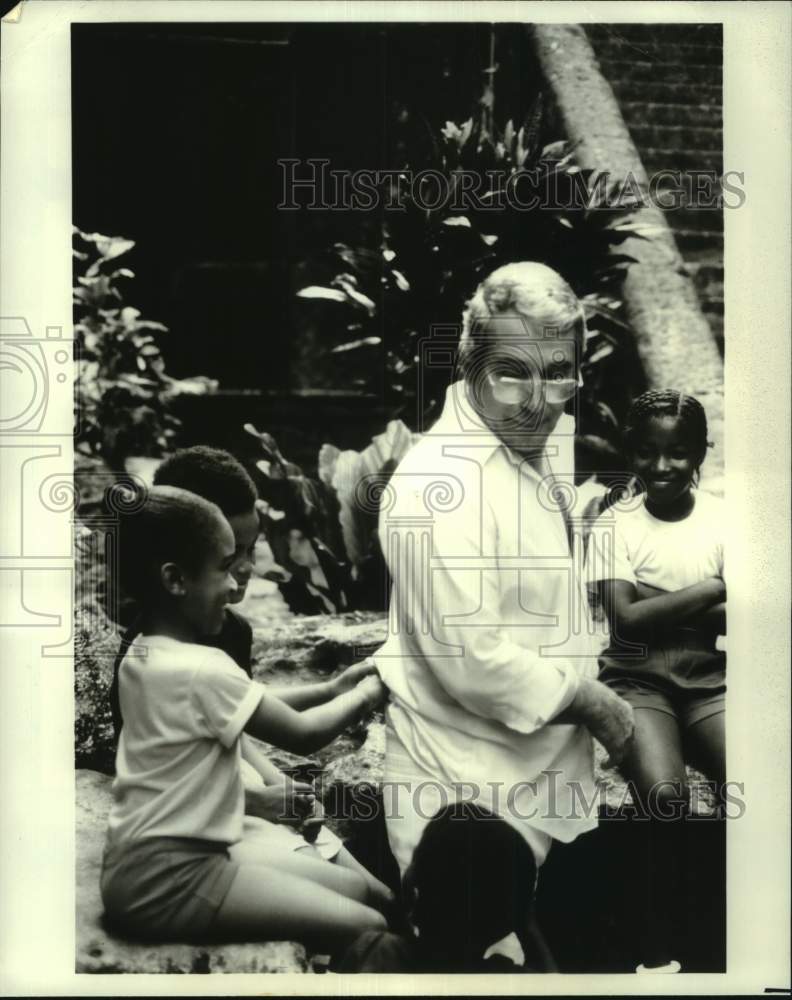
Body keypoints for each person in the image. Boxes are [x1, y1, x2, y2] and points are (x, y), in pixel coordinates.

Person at [373, 262, 634, 963]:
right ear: (468, 361)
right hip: (467, 810)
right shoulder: (434, 482)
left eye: (561, 372)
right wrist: (597, 703)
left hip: (556, 791)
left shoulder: (542, 432)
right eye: (513, 372)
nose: (540, 399)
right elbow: (473, 661)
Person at [102, 485, 390, 953]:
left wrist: (330, 688)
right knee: (368, 922)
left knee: (357, 891)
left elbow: (246, 702)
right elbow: (305, 735)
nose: (237, 585)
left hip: (139, 868)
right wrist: (369, 693)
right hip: (174, 881)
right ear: (175, 579)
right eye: (223, 567)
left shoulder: (144, 651)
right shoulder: (202, 668)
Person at [585, 389, 725, 973]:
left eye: (677, 453)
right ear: (630, 453)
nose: (661, 467)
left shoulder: (725, 519)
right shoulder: (616, 525)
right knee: (665, 798)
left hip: (708, 679)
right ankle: (654, 949)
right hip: (636, 680)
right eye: (646, 453)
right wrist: (716, 587)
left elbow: (744, 614)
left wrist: (654, 601)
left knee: (765, 779)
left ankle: (742, 930)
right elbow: (625, 620)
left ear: (700, 453)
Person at [337, 801, 550, 973]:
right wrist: (522, 919)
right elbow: (555, 983)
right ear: (512, 920)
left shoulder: (377, 952)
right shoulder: (504, 981)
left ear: (414, 885)